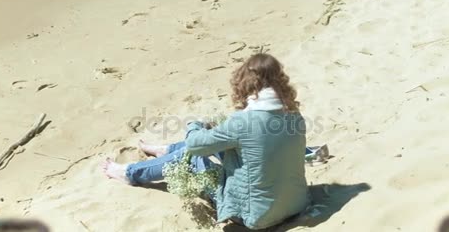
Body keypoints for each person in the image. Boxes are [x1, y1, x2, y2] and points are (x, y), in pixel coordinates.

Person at [101, 53, 310, 230]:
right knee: (223, 145)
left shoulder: (243, 122)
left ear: (247, 83)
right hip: (296, 204)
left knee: (190, 155)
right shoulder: (294, 115)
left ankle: (129, 174)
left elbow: (195, 146)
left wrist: (195, 124)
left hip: (256, 217)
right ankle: (166, 150)